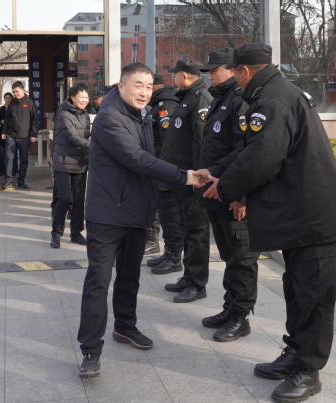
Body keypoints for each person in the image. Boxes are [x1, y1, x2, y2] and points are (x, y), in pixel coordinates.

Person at [195, 43, 336, 402]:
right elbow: (250, 150)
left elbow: (263, 158)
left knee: (313, 296)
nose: (233, 79)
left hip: (314, 218)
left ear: (244, 71)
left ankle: (309, 371)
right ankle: (295, 353)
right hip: (300, 216)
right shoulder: (272, 94)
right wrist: (218, 171)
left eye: (234, 72)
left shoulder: (272, 100)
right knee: (297, 290)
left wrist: (226, 186)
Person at [76, 62, 202, 379]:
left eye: (148, 86)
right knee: (98, 282)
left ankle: (125, 326)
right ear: (121, 86)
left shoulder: (141, 114)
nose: (144, 92)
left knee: (130, 275)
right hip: (108, 214)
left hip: (136, 210)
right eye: (137, 85)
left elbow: (150, 158)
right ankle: (90, 350)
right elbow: (137, 158)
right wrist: (183, 176)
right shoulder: (109, 117)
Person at [194, 48, 262, 343]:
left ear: (232, 69)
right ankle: (230, 307)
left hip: (233, 194)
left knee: (242, 258)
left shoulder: (240, 100)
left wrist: (240, 195)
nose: (209, 75)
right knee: (229, 256)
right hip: (216, 192)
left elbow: (245, 152)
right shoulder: (220, 98)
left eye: (214, 70)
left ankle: (240, 317)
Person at [159, 60, 214, 303]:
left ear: (184, 75)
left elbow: (201, 142)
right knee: (187, 229)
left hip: (193, 180)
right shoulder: (187, 97)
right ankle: (188, 276)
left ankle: (197, 284)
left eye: (176, 75)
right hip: (183, 178)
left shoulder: (201, 99)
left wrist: (197, 177)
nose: (174, 79)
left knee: (197, 233)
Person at [145, 74, 184, 268]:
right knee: (164, 213)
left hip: (165, 172)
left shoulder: (164, 107)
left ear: (153, 87)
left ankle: (174, 256)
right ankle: (169, 252)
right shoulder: (158, 105)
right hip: (158, 170)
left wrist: (164, 175)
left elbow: (167, 144)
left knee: (169, 214)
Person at [50, 83, 91, 248]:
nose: (84, 100)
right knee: (64, 199)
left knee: (79, 200)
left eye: (86, 97)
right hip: (63, 164)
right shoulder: (64, 115)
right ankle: (56, 233)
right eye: (81, 97)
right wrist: (94, 146)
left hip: (81, 164)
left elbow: (86, 136)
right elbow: (73, 138)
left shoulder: (86, 116)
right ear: (72, 97)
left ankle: (76, 233)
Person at [2, 81, 39, 189]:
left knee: (24, 159)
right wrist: (4, 132)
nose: (15, 94)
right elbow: (7, 118)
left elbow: (35, 120)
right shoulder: (12, 103)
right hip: (11, 135)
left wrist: (34, 134)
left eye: (17, 91)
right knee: (8, 157)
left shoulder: (30, 102)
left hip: (25, 136)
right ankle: (8, 180)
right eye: (13, 92)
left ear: (22, 90)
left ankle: (21, 181)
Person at [0, 92, 18, 176]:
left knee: (13, 152)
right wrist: (1, 121)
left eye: (9, 98)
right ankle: (2, 170)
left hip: (13, 132)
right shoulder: (2, 108)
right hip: (3, 132)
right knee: (2, 152)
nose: (8, 99)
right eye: (6, 98)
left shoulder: (15, 107)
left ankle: (14, 170)